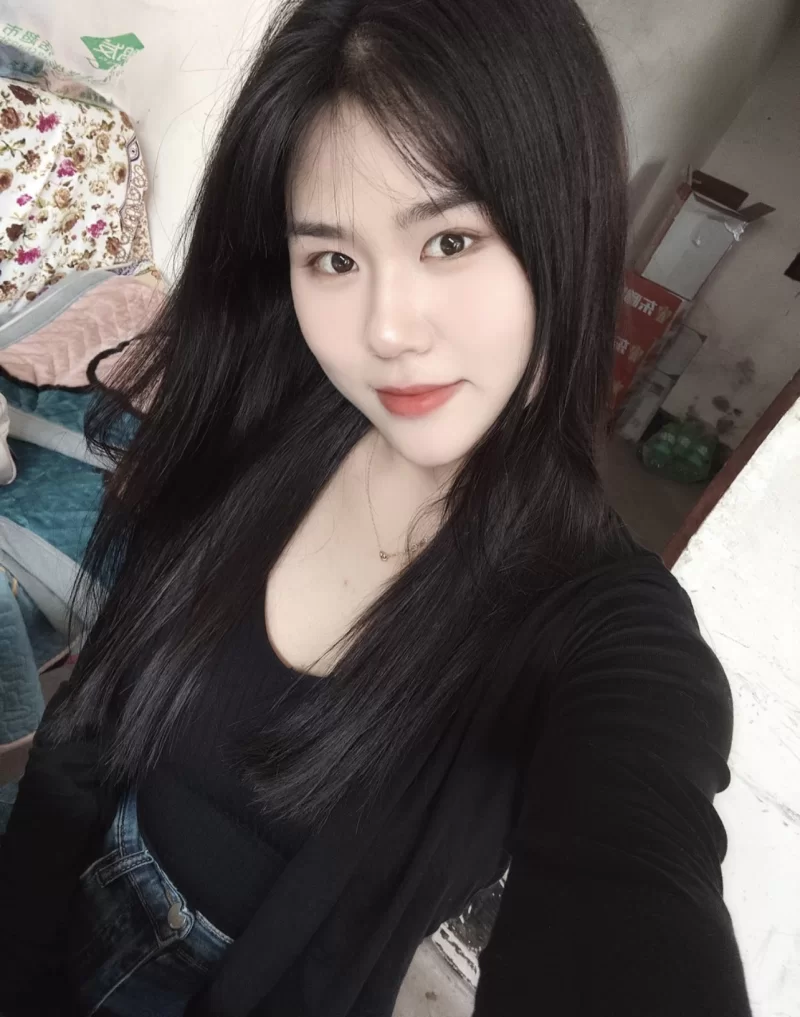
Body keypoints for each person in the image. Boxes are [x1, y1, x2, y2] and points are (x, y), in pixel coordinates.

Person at [0, 0, 753, 1014]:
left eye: (449, 240)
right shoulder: (269, 416)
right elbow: (96, 724)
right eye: (334, 259)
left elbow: (636, 871)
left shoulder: (601, 625)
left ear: (563, 229)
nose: (386, 330)